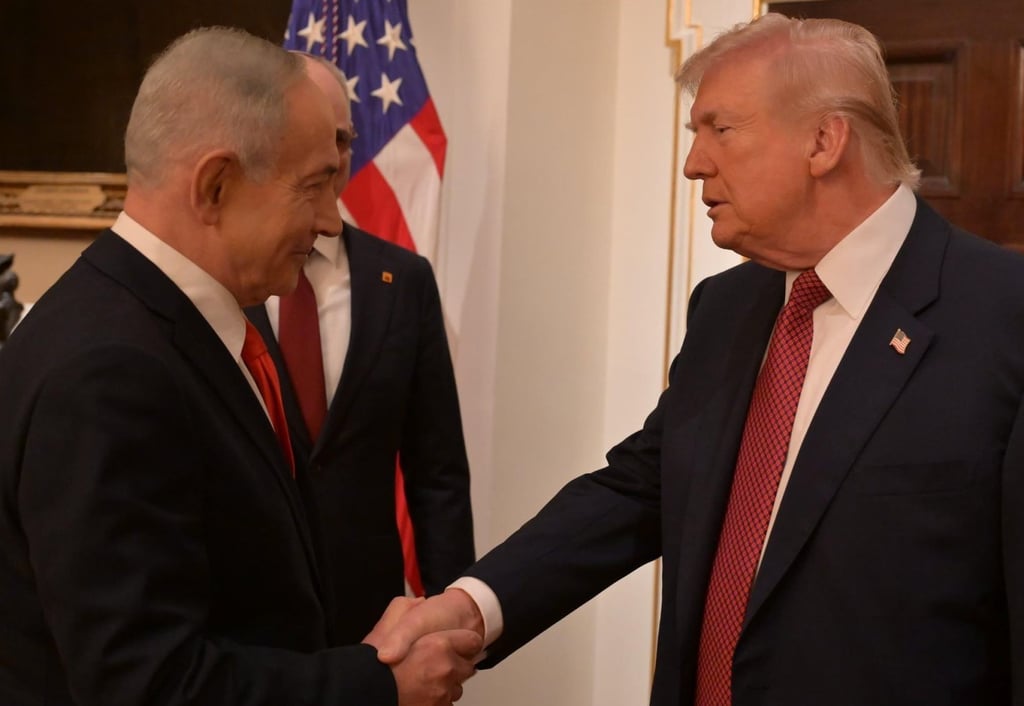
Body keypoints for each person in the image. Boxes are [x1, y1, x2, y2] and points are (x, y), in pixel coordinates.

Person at [372, 13, 1024, 706]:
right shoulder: (727, 307)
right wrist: (476, 605)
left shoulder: (1002, 315)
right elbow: (643, 489)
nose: (694, 163)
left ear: (824, 141)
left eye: (720, 129)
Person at [0, 27, 478, 706]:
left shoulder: (174, 323)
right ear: (216, 186)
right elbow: (148, 684)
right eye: (312, 186)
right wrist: (376, 682)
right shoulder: (110, 370)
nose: (330, 222)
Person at [245, 54, 475, 646]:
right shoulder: (228, 276)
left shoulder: (404, 281)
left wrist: (451, 612)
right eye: (320, 141)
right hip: (246, 609)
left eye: (344, 138)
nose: (337, 156)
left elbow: (437, 468)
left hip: (370, 614)